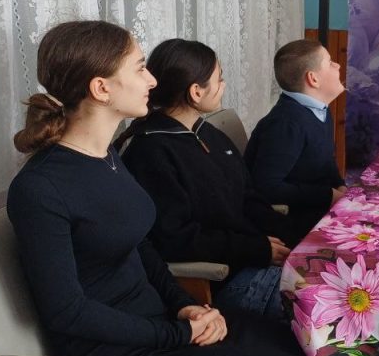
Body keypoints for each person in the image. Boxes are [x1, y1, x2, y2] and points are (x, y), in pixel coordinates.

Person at [7, 21, 310, 356]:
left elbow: (142, 246)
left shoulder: (107, 157)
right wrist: (177, 333)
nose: (152, 80)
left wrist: (185, 306)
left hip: (164, 325)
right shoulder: (39, 188)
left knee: (304, 344)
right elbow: (67, 312)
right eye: (139, 68)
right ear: (101, 88)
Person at [119, 39, 294, 322]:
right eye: (219, 79)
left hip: (255, 257)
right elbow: (175, 239)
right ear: (196, 91)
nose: (223, 85)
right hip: (224, 281)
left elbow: (248, 198)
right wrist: (256, 249)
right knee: (335, 306)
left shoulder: (208, 133)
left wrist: (296, 237)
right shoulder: (150, 151)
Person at [243, 39, 346, 242]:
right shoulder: (285, 124)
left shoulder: (319, 110)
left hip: (318, 211)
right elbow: (266, 187)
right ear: (313, 79)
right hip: (294, 225)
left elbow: (326, 162)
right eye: (329, 62)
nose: (338, 65)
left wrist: (339, 185)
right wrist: (327, 195)